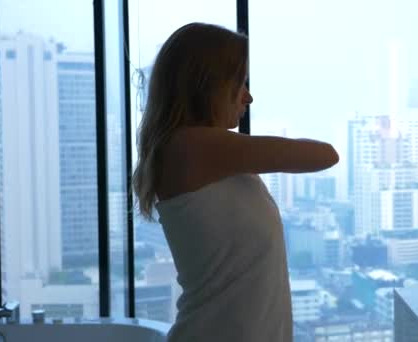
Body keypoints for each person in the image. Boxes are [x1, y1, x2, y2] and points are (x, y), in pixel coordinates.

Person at [133, 22, 339, 342]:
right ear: (208, 85)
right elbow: (324, 155)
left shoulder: (201, 152)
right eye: (240, 82)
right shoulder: (192, 147)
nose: (248, 96)